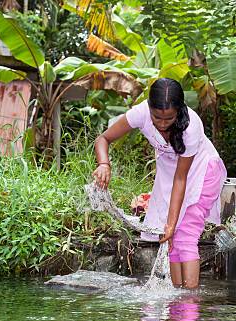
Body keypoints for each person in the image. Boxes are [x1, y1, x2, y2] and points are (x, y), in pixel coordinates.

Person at [93, 78, 227, 289]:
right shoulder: (140, 113)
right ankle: (176, 302)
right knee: (169, 239)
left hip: (202, 173)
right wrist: (104, 164)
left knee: (184, 235)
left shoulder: (191, 127)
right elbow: (103, 139)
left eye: (169, 118)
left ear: (179, 110)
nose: (163, 124)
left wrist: (172, 223)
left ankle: (189, 303)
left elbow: (181, 178)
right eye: (157, 117)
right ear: (149, 108)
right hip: (170, 177)